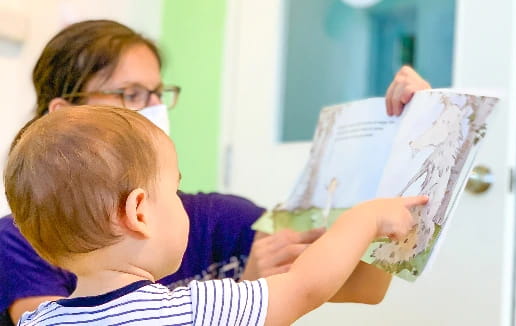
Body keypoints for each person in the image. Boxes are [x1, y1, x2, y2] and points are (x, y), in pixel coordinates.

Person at [0, 19, 432, 324]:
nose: (151, 108)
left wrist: (403, 149)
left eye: (157, 92)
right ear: (65, 114)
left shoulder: (221, 216)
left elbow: (365, 287)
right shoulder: (16, 239)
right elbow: (306, 286)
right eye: (130, 93)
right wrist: (367, 217)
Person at [5, 105, 428, 326]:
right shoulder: (190, 310)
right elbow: (305, 286)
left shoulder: (43, 320)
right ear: (138, 213)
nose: (182, 200)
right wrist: (366, 219)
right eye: (174, 190)